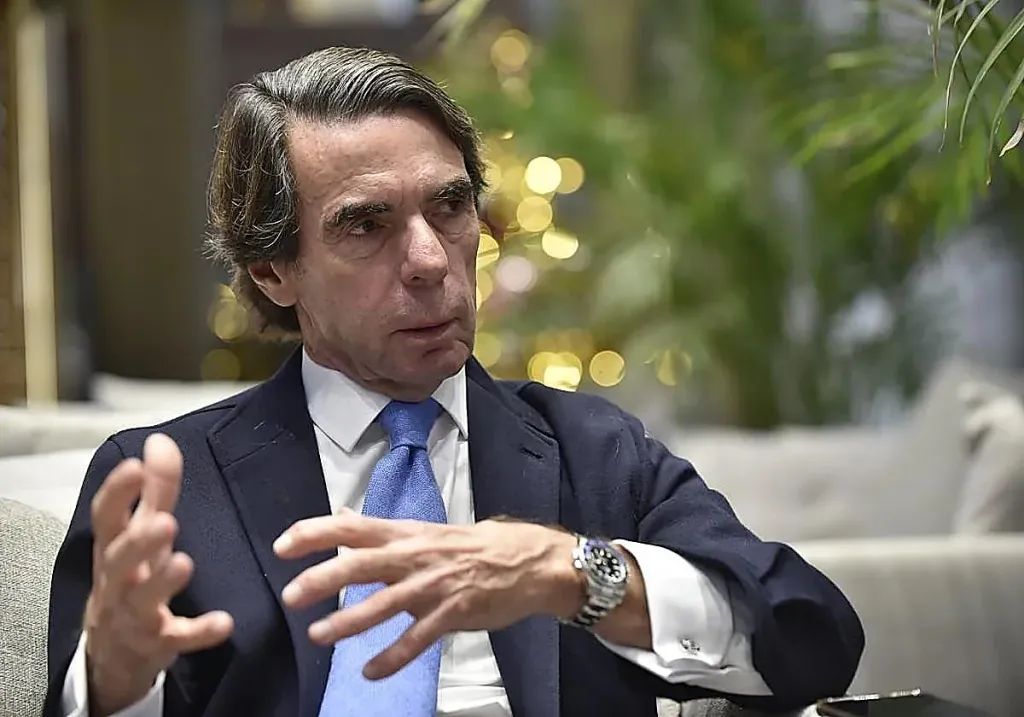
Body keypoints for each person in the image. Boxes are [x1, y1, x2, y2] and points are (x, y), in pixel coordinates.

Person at [46, 47, 863, 717]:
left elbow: (814, 638)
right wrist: (115, 682)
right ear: (274, 270)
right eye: (366, 225)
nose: (430, 261)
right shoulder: (172, 484)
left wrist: (576, 573)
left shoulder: (591, 451)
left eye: (449, 207)